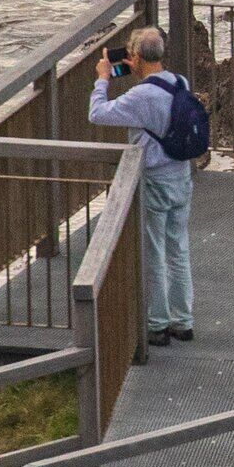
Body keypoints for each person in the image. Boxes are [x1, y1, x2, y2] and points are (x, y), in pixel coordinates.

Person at [89, 25, 205, 347]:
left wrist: (103, 78)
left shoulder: (139, 97)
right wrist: (134, 69)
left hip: (154, 180)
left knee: (154, 250)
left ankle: (157, 324)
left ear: (136, 56)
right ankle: (184, 321)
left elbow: (97, 113)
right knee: (178, 247)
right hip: (182, 175)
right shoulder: (180, 83)